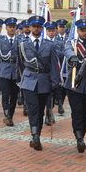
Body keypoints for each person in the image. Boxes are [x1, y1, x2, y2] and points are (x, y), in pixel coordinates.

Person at [19, 16, 60, 151]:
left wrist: (55, 81)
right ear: (29, 28)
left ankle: (38, 134)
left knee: (41, 110)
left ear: (42, 28)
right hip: (29, 80)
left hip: (44, 80)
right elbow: (20, 64)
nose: (36, 29)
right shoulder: (23, 44)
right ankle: (35, 136)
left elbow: (54, 65)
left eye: (38, 26)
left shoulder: (49, 45)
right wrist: (19, 79)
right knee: (33, 109)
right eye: (33, 26)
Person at [63, 18, 86, 153]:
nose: (85, 33)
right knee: (77, 111)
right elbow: (67, 51)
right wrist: (72, 57)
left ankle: (82, 132)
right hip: (74, 83)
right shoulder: (72, 43)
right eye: (82, 30)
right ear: (78, 31)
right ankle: (79, 137)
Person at [43, 21, 65, 126]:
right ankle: (48, 114)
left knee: (54, 93)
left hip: (56, 70)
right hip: (46, 71)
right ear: (46, 32)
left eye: (52, 31)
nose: (51, 33)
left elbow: (63, 54)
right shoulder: (43, 42)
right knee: (47, 94)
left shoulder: (59, 43)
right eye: (49, 31)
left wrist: (53, 51)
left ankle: (50, 110)